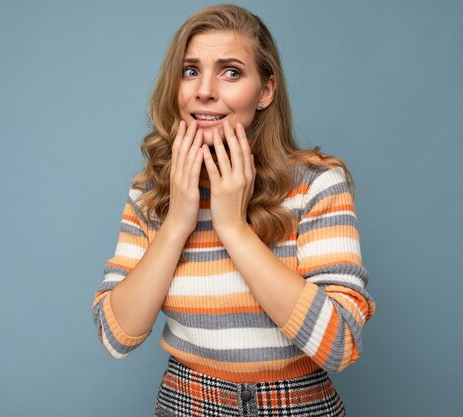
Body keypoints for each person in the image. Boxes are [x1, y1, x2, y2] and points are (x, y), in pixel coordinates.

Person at [92, 4, 376, 416]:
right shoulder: (151, 193)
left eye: (230, 72)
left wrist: (233, 227)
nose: (204, 90)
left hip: (299, 405)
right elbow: (116, 337)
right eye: (190, 71)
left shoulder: (316, 182)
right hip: (186, 404)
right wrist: (176, 223)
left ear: (265, 91)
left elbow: (340, 344)